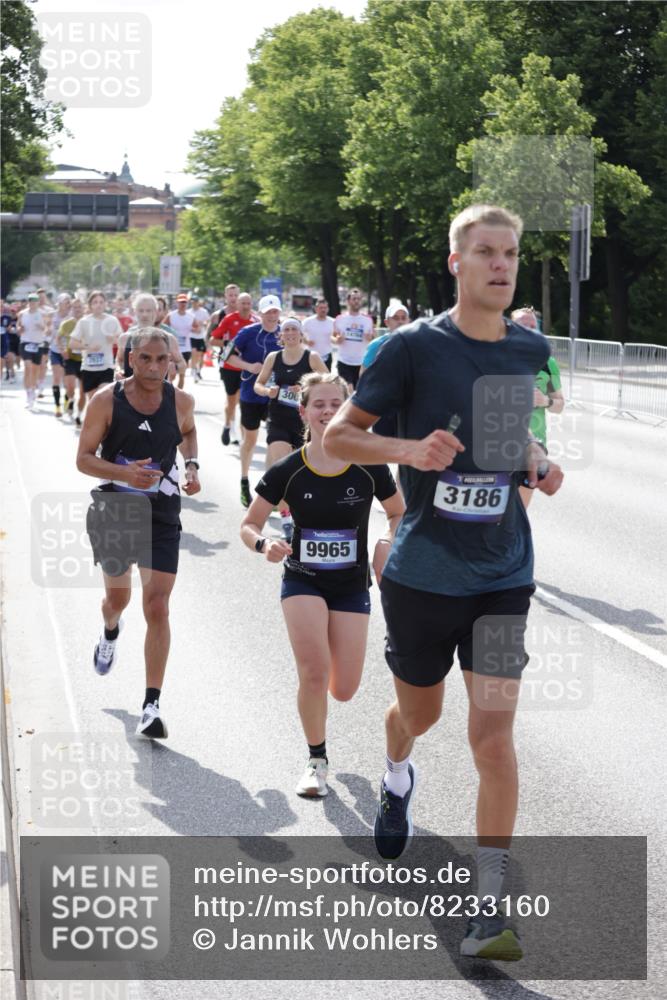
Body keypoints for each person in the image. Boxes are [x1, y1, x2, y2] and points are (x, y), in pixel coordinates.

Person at [325, 204, 564, 962]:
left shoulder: (526, 347)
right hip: (423, 574)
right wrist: (407, 448)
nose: (500, 264)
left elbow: (501, 429)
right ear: (456, 261)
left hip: (503, 572)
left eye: (511, 254)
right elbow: (336, 439)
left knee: (492, 738)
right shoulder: (408, 349)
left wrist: (531, 458)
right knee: (418, 715)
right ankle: (396, 769)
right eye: (486, 252)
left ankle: (488, 906)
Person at [241, 372, 404, 796]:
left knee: (344, 689)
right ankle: (316, 761)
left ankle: (326, 698)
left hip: (351, 585)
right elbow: (248, 523)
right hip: (302, 579)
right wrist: (264, 544)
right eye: (319, 405)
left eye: (337, 404)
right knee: (313, 673)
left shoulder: (369, 465)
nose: (328, 411)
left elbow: (399, 512)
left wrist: (387, 541)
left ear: (348, 411)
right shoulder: (288, 469)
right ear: (304, 412)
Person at [76, 327, 201, 738]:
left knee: (158, 606)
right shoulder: (105, 400)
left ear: (171, 361)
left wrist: (193, 466)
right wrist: (124, 473)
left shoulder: (181, 401)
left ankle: (151, 705)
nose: (153, 366)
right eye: (145, 358)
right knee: (118, 598)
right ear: (131, 358)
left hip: (162, 512)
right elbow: (83, 459)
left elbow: (188, 432)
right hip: (116, 508)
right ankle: (110, 630)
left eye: (161, 360)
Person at [254, 317, 328, 539]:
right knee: (280, 464)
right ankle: (285, 516)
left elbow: (330, 383)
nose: (290, 333)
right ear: (281, 335)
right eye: (286, 330)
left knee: (305, 472)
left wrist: (305, 389)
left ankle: (303, 513)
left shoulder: (311, 357)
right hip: (278, 418)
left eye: (294, 329)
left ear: (301, 333)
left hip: (305, 423)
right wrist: (268, 392)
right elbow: (258, 384)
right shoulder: (273, 357)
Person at [225, 294, 282, 508]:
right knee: (250, 441)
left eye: (275, 311)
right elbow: (226, 356)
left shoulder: (286, 333)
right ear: (260, 314)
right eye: (268, 313)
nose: (272, 316)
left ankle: (272, 491)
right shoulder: (248, 333)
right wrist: (249, 367)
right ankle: (244, 481)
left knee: (276, 443)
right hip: (250, 394)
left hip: (275, 397)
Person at [511, 307, 565, 510]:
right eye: (524, 325)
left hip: (534, 447)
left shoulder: (546, 363)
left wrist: (545, 401)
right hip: (498, 444)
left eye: (534, 326)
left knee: (519, 513)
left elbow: (559, 404)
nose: (530, 330)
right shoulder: (497, 358)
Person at [209, 292, 255, 446]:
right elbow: (213, 340)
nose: (246, 306)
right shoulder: (229, 319)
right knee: (231, 401)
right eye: (243, 303)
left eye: (248, 303)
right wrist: (229, 343)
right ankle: (228, 425)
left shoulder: (255, 321)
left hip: (247, 368)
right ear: (237, 304)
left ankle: (242, 435)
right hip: (229, 366)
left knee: (243, 401)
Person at [116, 294, 186, 383]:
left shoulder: (168, 339)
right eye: (141, 310)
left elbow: (181, 363)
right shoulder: (125, 338)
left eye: (149, 311)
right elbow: (119, 360)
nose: (145, 314)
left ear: (155, 312)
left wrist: (174, 367)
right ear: (135, 312)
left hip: (157, 393)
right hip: (129, 392)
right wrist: (118, 370)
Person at [69, 290, 122, 408]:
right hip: (89, 367)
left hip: (106, 366)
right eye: (95, 302)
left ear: (105, 304)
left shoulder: (112, 320)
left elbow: (122, 341)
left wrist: (113, 339)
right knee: (93, 401)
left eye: (101, 302)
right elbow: (72, 343)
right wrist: (87, 347)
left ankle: (105, 426)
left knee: (104, 397)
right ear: (90, 305)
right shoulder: (84, 322)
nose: (98, 304)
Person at [332, 288, 374, 391]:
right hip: (344, 361)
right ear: (348, 301)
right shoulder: (340, 319)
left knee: (358, 391)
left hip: (361, 362)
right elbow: (332, 336)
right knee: (348, 389)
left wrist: (370, 338)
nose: (356, 301)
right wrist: (337, 340)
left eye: (359, 299)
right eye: (354, 298)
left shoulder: (367, 320)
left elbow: (373, 337)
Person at [17, 293, 49, 409]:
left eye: (35, 301)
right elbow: (18, 326)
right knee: (28, 366)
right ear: (28, 302)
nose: (33, 303)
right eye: (31, 301)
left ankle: (33, 389)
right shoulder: (22, 314)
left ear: (38, 302)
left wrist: (42, 328)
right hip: (25, 342)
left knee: (35, 369)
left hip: (38, 344)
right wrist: (20, 329)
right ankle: (29, 394)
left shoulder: (43, 314)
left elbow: (46, 328)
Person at [360, 301, 410, 375]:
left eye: (403, 318)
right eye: (395, 318)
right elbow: (363, 375)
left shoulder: (416, 345)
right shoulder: (376, 345)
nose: (400, 321)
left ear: (408, 321)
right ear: (387, 322)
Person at [59, 298, 86, 425]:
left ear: (84, 308)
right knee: (70, 387)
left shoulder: (89, 322)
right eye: (75, 307)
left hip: (85, 360)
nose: (77, 309)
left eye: (79, 307)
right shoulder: (66, 324)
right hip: (70, 359)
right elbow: (58, 338)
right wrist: (62, 349)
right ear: (71, 309)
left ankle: (79, 415)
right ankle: (69, 399)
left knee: (82, 391)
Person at [49, 293, 72, 418]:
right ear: (59, 303)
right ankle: (57, 406)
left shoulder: (71, 317)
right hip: (55, 350)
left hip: (67, 352)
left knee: (67, 381)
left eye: (69, 301)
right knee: (56, 378)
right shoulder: (52, 315)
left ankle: (66, 401)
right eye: (65, 301)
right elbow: (47, 329)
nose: (68, 304)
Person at [167, 294, 197, 377]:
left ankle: (178, 388)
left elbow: (198, 328)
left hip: (186, 348)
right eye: (181, 302)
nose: (183, 304)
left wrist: (193, 329)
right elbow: (162, 327)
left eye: (184, 302)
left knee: (182, 374)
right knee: (172, 374)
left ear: (187, 303)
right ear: (177, 303)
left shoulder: (191, 316)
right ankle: (171, 387)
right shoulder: (171, 315)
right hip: (173, 347)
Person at [303, 298, 335, 370]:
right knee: (310, 379)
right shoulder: (307, 321)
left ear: (328, 309)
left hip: (327, 355)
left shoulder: (333, 322)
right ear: (316, 309)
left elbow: (336, 336)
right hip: (310, 355)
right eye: (321, 308)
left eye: (325, 308)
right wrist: (306, 341)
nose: (323, 310)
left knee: (326, 379)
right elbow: (299, 334)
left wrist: (336, 339)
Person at [188, 294, 210, 380]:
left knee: (200, 356)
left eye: (195, 302)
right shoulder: (189, 312)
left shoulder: (203, 311)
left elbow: (208, 322)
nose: (194, 303)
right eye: (192, 302)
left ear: (198, 302)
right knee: (194, 353)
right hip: (192, 336)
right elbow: (187, 325)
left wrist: (203, 324)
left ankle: (198, 370)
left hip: (201, 336)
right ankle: (193, 370)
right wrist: (193, 329)